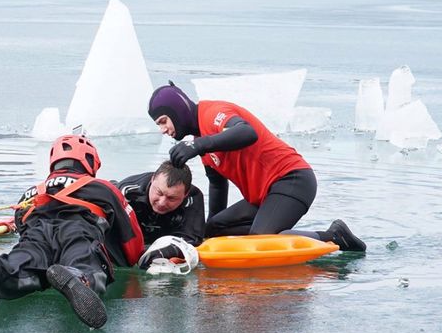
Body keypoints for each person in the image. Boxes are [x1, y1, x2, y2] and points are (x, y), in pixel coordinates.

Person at [146, 81, 366, 251]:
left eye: (164, 121)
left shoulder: (212, 114)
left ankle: (333, 235)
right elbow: (217, 186)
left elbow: (246, 132)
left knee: (262, 239)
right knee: (214, 228)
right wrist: (209, 236)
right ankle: (266, 231)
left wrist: (197, 145)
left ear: (178, 112)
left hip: (292, 180)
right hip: (262, 197)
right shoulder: (201, 140)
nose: (163, 130)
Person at [0, 134, 145, 329]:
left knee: (24, 261)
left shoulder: (31, 192)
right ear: (90, 162)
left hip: (37, 231)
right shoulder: (102, 187)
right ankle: (77, 276)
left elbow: (22, 227)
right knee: (84, 260)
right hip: (78, 228)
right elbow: (132, 241)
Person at [115, 160, 206, 269]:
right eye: (159, 193)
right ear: (153, 180)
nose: (162, 203)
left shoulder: (193, 197)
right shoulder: (127, 191)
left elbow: (192, 241)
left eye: (171, 198)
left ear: (185, 194)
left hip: (165, 236)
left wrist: (166, 251)